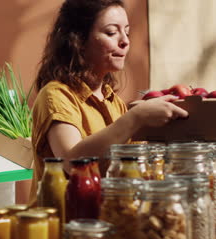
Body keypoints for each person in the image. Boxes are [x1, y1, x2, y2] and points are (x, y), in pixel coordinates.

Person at [29, 0, 188, 201]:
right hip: (62, 225)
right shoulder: (56, 95)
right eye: (112, 33)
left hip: (103, 222)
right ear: (78, 40)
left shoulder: (113, 101)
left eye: (127, 32)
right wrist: (135, 118)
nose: (125, 41)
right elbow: (72, 162)